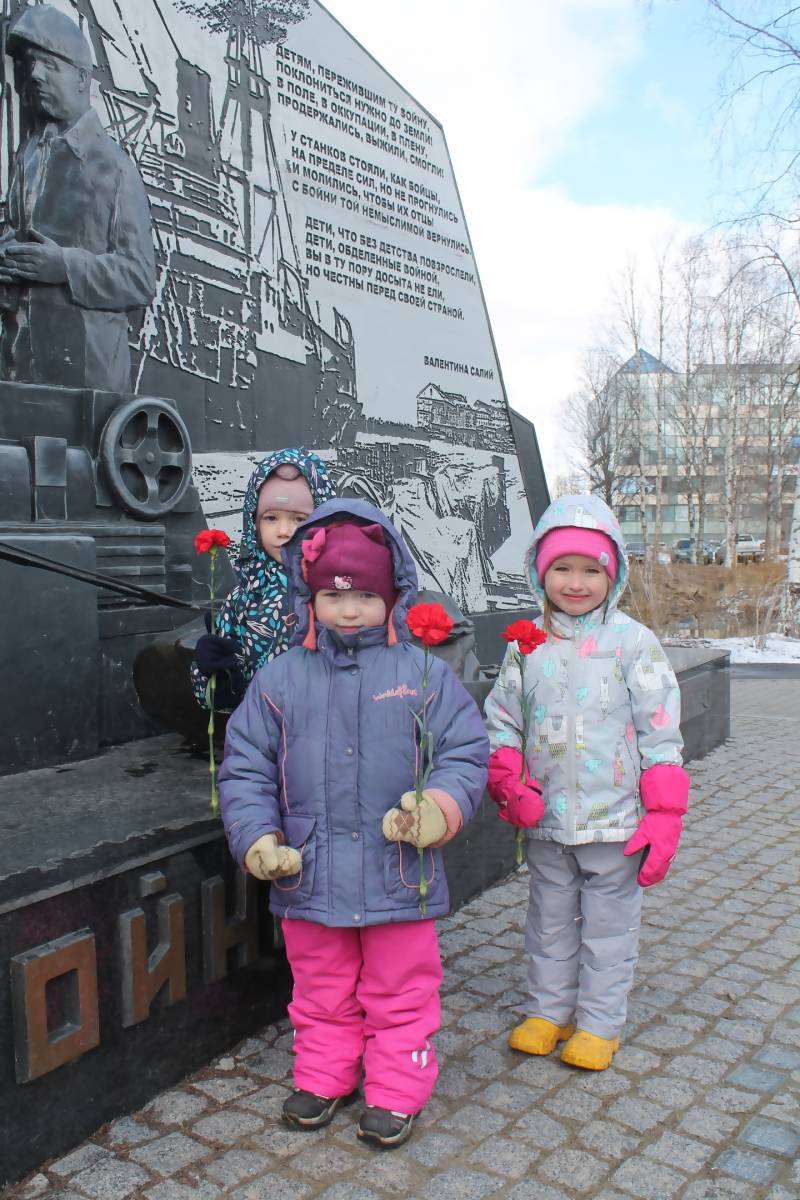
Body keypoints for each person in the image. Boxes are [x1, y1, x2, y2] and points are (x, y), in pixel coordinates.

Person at [218, 498, 488, 1147]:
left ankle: (397, 1087)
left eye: (364, 595)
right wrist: (257, 837)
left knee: (400, 990)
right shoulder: (280, 679)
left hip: (397, 874)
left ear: (391, 594)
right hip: (310, 877)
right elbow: (246, 766)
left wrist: (440, 807)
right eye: (333, 595)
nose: (347, 609)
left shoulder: (422, 672)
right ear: (308, 597)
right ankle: (325, 1072)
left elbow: (465, 750)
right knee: (320, 988)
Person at [484, 494, 689, 1071]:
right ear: (540, 571)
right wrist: (508, 777)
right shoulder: (526, 644)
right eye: (562, 569)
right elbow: (502, 718)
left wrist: (664, 812)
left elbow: (660, 730)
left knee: (607, 927)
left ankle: (599, 1022)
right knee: (548, 919)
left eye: (591, 570)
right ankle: (548, 1010)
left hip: (615, 820)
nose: (576, 583)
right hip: (548, 819)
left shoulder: (633, 643)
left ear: (613, 573)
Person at [0, 5, 156, 392]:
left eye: (50, 64)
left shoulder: (114, 168)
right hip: (19, 372)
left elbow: (139, 278)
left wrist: (63, 266)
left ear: (82, 77)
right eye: (31, 63)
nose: (34, 74)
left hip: (85, 386)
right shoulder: (29, 158)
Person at [191, 447, 335, 711]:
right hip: (256, 739)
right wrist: (215, 678)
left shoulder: (335, 592)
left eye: (299, 519)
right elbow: (208, 700)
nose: (283, 531)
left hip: (324, 737)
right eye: (270, 518)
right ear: (254, 523)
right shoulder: (243, 597)